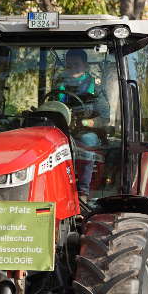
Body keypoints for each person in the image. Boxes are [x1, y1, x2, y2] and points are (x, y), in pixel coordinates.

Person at [52, 49, 110, 202]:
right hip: (61, 129)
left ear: (85, 65)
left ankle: (83, 193)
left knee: (88, 143)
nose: (72, 67)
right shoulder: (59, 86)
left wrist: (87, 122)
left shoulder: (95, 88)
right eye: (69, 65)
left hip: (85, 130)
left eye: (76, 64)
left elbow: (105, 118)